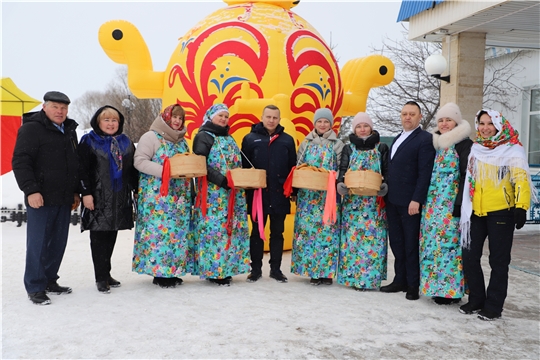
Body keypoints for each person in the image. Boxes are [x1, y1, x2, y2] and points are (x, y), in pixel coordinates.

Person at [459, 109, 536, 321]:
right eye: (481, 123)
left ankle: (493, 306)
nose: (485, 128)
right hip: (476, 211)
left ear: (498, 126)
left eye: (489, 124)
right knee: (469, 256)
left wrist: (521, 206)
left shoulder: (512, 149)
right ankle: (476, 299)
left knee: (498, 260)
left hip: (501, 212)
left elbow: (520, 179)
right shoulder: (477, 149)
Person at [12, 91, 80, 305]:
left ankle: (50, 279)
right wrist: (31, 191)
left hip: (63, 197)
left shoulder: (69, 131)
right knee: (38, 243)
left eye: (63, 108)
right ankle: (35, 286)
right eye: (55, 107)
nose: (60, 112)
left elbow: (73, 165)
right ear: (44, 107)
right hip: (40, 197)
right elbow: (21, 161)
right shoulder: (31, 129)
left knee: (58, 242)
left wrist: (75, 192)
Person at [132, 104, 194, 288]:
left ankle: (173, 271)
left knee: (176, 235)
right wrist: (166, 171)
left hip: (179, 198)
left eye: (180, 118)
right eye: (174, 117)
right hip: (157, 198)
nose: (177, 121)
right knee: (158, 235)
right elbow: (139, 161)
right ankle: (160, 273)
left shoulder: (182, 141)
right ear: (166, 117)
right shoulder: (151, 137)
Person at [78, 106, 138, 294]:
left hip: (119, 197)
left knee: (111, 234)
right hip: (97, 197)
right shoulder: (89, 141)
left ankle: (107, 272)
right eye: (107, 120)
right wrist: (85, 193)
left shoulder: (126, 142)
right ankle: (100, 277)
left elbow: (133, 169)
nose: (111, 124)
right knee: (98, 237)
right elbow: (81, 170)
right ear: (98, 122)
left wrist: (137, 189)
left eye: (114, 120)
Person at [418, 103, 472, 304]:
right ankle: (434, 288)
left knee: (450, 248)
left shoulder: (464, 144)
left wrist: (459, 204)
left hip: (451, 207)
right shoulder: (435, 144)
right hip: (432, 207)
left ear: (456, 121)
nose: (444, 123)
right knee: (432, 247)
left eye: (448, 119)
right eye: (441, 120)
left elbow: (467, 176)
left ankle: (450, 292)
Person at [381, 100, 435, 300]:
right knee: (396, 242)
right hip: (393, 200)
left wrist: (417, 199)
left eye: (412, 114)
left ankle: (413, 284)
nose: (407, 117)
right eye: (404, 113)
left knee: (411, 243)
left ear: (420, 117)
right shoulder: (397, 138)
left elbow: (424, 173)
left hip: (410, 203)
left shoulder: (424, 139)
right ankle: (400, 279)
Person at [192, 103, 250, 286]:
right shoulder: (203, 136)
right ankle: (214, 270)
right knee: (215, 231)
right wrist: (222, 181)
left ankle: (227, 268)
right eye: (220, 116)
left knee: (230, 229)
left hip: (232, 192)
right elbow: (200, 165)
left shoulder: (229, 137)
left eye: (226, 116)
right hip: (213, 193)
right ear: (211, 117)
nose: (224, 119)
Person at [241, 105, 296, 283]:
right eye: (268, 117)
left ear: (279, 119)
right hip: (258, 195)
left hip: (280, 194)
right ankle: (255, 269)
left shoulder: (287, 140)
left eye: (275, 117)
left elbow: (292, 168)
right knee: (257, 233)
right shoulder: (250, 139)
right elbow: (244, 166)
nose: (271, 120)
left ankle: (276, 269)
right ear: (262, 117)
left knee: (277, 233)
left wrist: (292, 191)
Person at [291, 108, 344, 285]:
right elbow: (298, 165)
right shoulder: (306, 142)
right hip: (308, 197)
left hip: (327, 196)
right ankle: (311, 270)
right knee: (308, 234)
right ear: (315, 123)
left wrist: (334, 178)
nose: (322, 125)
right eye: (319, 121)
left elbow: (341, 167)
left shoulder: (338, 144)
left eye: (326, 122)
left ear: (331, 124)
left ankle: (326, 273)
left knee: (327, 233)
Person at [336, 112, 389, 291]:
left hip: (373, 204)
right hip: (353, 203)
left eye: (365, 125)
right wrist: (340, 184)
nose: (362, 129)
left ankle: (370, 278)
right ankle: (352, 277)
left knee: (372, 241)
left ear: (371, 127)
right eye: (358, 126)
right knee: (353, 240)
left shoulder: (381, 147)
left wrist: (385, 185)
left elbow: (387, 171)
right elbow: (342, 170)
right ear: (355, 129)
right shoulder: (348, 148)